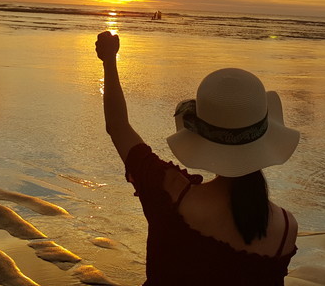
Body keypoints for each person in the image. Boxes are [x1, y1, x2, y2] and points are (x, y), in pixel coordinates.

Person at [95, 31, 300, 285]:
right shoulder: (286, 229)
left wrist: (109, 60)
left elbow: (118, 127)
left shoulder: (169, 193)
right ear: (263, 133)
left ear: (199, 133)